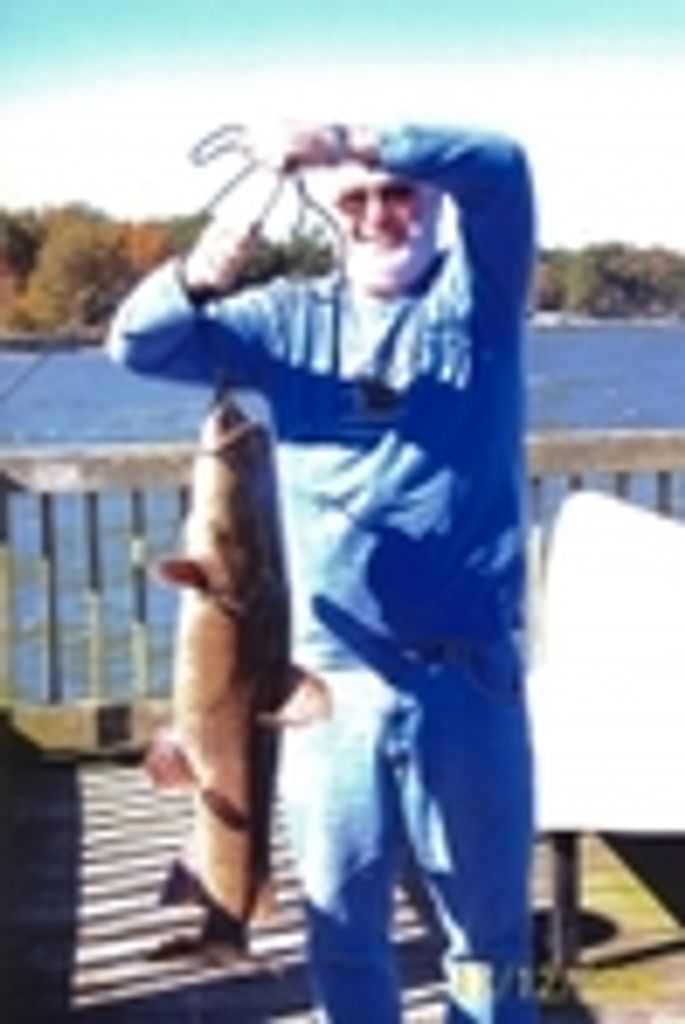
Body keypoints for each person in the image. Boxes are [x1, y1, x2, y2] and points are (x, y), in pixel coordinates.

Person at [107, 120, 538, 1024]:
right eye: (355, 199)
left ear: (431, 203)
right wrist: (200, 270)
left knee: (491, 938)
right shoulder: (285, 320)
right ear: (329, 216)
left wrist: (351, 139)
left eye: (398, 192)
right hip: (325, 684)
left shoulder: (482, 298)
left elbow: (502, 169)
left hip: (470, 676)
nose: (379, 213)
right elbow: (139, 344)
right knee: (342, 932)